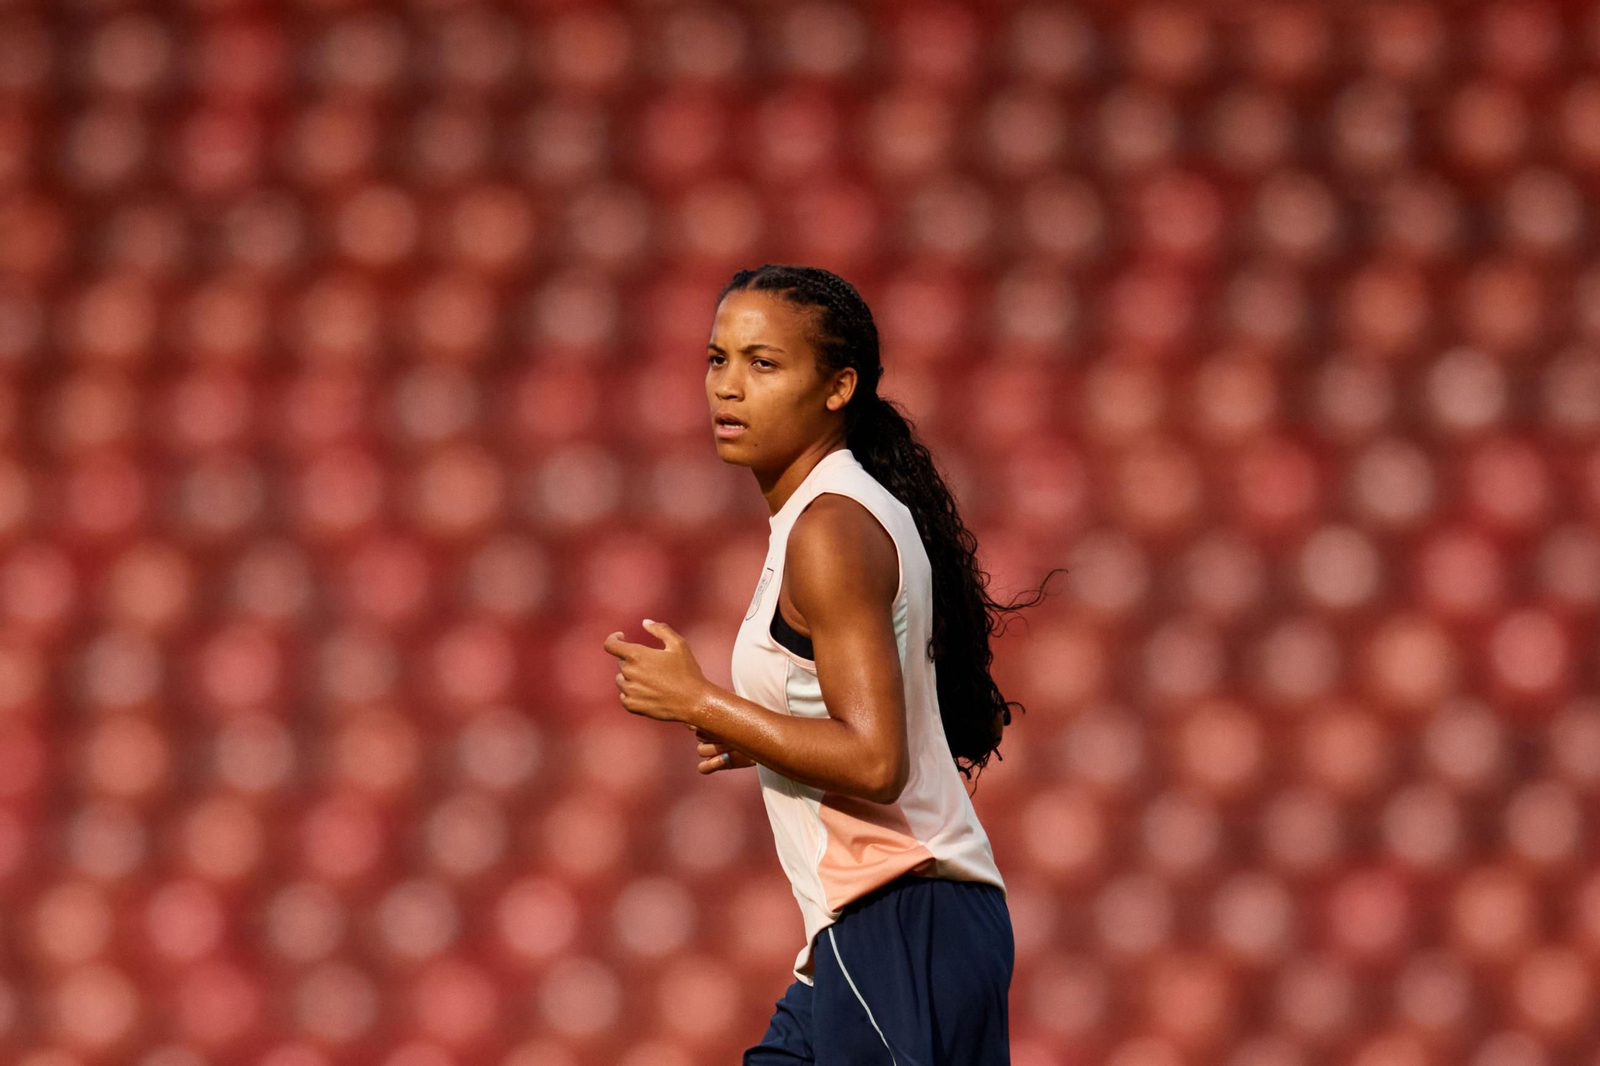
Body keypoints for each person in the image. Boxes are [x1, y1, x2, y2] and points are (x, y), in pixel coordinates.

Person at [603, 264, 1058, 1064]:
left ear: (839, 386)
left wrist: (701, 702)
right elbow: (873, 713)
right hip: (867, 936)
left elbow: (877, 761)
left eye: (763, 363)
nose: (728, 388)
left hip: (902, 923)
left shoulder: (830, 530)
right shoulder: (831, 515)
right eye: (717, 359)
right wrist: (766, 736)